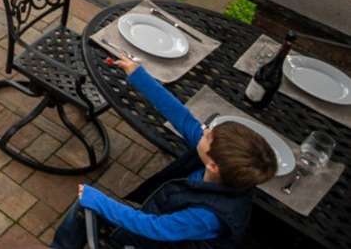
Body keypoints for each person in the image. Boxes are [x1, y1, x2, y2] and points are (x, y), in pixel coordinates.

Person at [52, 57, 277, 249]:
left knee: (86, 205)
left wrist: (97, 200)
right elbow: (180, 116)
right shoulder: (224, 167)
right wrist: (137, 74)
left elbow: (155, 229)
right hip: (164, 220)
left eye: (208, 136)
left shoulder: (207, 217)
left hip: (159, 241)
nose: (204, 130)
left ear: (213, 166)